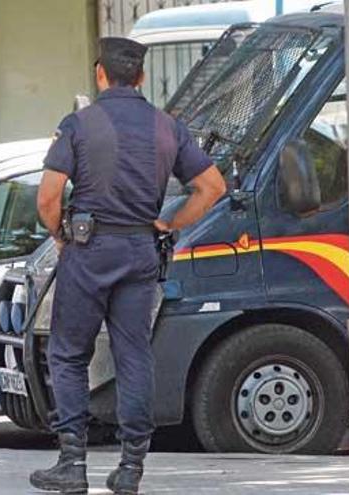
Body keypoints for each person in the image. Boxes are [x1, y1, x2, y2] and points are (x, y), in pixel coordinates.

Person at [30, 37, 226, 495]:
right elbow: (212, 186)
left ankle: (73, 464)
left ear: (100, 74)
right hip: (141, 250)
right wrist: (169, 223)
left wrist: (60, 236)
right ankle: (131, 467)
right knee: (133, 354)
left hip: (89, 251)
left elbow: (47, 198)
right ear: (139, 77)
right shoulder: (167, 127)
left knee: (68, 353)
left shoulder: (78, 125)